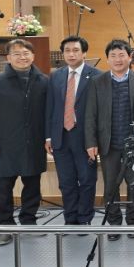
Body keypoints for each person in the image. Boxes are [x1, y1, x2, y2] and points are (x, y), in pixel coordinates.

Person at [0, 39, 49, 246]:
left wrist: (48, 138)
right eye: (17, 54)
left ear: (33, 56)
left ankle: (29, 221)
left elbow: (49, 113)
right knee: (4, 188)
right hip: (5, 144)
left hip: (33, 142)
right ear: (9, 58)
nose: (22, 57)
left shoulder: (44, 81)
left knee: (32, 186)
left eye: (26, 53)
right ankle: (6, 226)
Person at [85, 39, 134, 240]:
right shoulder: (97, 82)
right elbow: (90, 115)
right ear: (108, 59)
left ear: (130, 57)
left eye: (121, 55)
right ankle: (114, 223)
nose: (118, 59)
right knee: (111, 185)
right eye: (113, 56)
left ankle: (133, 221)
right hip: (108, 143)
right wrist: (91, 142)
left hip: (133, 144)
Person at [45, 36, 102, 229]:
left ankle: (84, 217)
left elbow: (100, 111)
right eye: (67, 51)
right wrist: (48, 136)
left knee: (87, 179)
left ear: (84, 53)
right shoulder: (56, 75)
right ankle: (70, 218)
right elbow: (50, 107)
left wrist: (95, 139)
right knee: (66, 181)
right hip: (60, 136)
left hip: (85, 137)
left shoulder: (96, 75)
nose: (71, 54)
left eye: (76, 50)